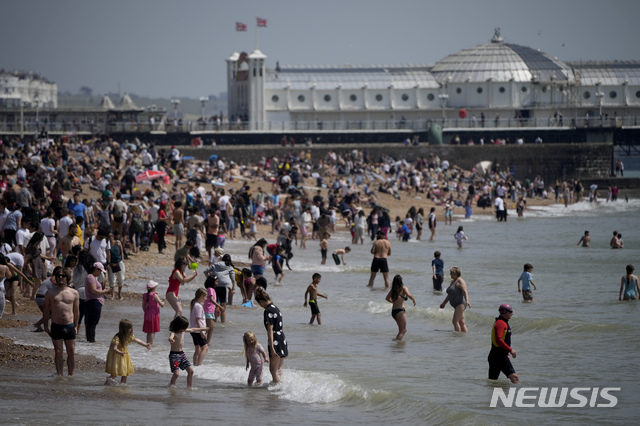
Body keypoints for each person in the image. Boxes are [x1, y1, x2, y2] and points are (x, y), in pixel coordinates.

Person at [43, 267, 79, 376]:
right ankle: (59, 374)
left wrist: (76, 326)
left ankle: (71, 375)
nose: (60, 278)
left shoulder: (74, 293)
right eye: (58, 276)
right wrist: (45, 326)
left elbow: (76, 312)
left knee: (71, 352)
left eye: (63, 276)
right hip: (56, 325)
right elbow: (45, 311)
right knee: (58, 352)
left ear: (67, 278)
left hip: (69, 325)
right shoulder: (50, 293)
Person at [255, 287, 288, 383]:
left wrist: (272, 349)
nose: (261, 306)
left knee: (273, 370)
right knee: (279, 368)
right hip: (282, 338)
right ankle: (281, 388)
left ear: (261, 301)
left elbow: (270, 331)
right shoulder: (276, 308)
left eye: (259, 304)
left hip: (275, 339)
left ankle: (276, 390)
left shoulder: (268, 311)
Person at [104, 319, 151, 385]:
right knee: (115, 373)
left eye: (131, 327)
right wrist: (120, 352)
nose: (131, 329)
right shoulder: (117, 337)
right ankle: (106, 384)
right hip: (117, 355)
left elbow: (137, 340)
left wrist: (145, 344)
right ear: (124, 329)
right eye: (129, 328)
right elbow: (114, 348)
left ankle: (123, 385)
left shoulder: (129, 335)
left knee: (125, 372)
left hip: (124, 354)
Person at [168, 315, 207, 388]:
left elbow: (192, 330)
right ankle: (171, 387)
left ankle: (189, 387)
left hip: (182, 354)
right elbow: (170, 337)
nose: (185, 329)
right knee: (176, 374)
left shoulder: (183, 330)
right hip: (174, 355)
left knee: (191, 371)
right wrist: (171, 340)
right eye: (184, 327)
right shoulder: (173, 332)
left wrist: (203, 329)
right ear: (179, 326)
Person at [488, 304, 519, 384]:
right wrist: (511, 350)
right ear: (505, 312)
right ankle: (515, 394)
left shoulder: (503, 322)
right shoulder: (500, 323)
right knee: (514, 377)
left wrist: (507, 354)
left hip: (497, 356)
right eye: (511, 311)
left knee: (492, 381)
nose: (512, 313)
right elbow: (499, 340)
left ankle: (492, 395)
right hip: (499, 356)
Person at [203, 253, 235, 323]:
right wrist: (233, 289)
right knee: (223, 306)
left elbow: (205, 271)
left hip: (214, 286)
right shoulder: (230, 267)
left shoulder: (216, 264)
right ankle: (223, 323)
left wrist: (210, 279)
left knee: (214, 305)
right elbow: (233, 279)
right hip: (223, 287)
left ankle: (214, 321)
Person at [85, 262, 112, 343]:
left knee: (92, 323)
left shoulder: (93, 277)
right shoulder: (90, 277)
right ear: (96, 269)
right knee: (92, 323)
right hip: (93, 302)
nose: (100, 273)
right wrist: (105, 291)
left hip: (94, 302)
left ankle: (90, 341)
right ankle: (91, 341)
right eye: (100, 271)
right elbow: (93, 291)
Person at [439, 266, 471, 333]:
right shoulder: (453, 281)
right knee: (461, 322)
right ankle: (465, 337)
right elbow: (450, 294)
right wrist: (444, 303)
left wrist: (467, 301)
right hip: (456, 305)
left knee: (455, 321)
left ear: (456, 274)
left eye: (451, 273)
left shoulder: (460, 281)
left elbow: (465, 291)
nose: (450, 274)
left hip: (460, 304)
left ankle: (457, 337)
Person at [385, 275, 416, 341]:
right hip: (400, 311)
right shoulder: (403, 288)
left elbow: (387, 298)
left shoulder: (393, 290)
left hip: (394, 312)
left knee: (401, 330)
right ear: (401, 281)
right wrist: (413, 300)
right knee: (403, 330)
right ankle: (397, 343)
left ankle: (396, 343)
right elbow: (409, 295)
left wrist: (393, 302)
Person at [189, 288, 209, 366]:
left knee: (198, 349)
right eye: (205, 297)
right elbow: (198, 320)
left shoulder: (194, 304)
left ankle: (195, 365)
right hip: (198, 331)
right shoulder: (198, 306)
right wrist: (201, 331)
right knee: (205, 348)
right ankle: (199, 365)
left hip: (194, 330)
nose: (206, 298)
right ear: (201, 296)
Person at [203, 275, 225, 344]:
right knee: (209, 327)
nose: (217, 283)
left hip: (210, 311)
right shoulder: (210, 289)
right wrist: (220, 306)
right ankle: (204, 341)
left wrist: (216, 308)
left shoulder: (212, 289)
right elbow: (212, 300)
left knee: (211, 328)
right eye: (216, 281)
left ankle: (206, 342)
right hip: (208, 310)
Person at [142, 280, 164, 346]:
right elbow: (161, 304)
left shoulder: (144, 295)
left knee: (149, 331)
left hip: (147, 314)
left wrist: (146, 312)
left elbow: (143, 306)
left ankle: (147, 344)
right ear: (154, 288)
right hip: (154, 315)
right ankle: (151, 344)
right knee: (152, 331)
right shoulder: (154, 295)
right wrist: (163, 302)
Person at [107, 232, 125, 300]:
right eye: (109, 236)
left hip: (119, 262)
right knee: (112, 280)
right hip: (111, 263)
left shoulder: (118, 242)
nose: (110, 237)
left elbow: (121, 251)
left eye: (111, 236)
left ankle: (119, 294)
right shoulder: (107, 245)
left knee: (121, 278)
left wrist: (122, 259)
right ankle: (113, 295)